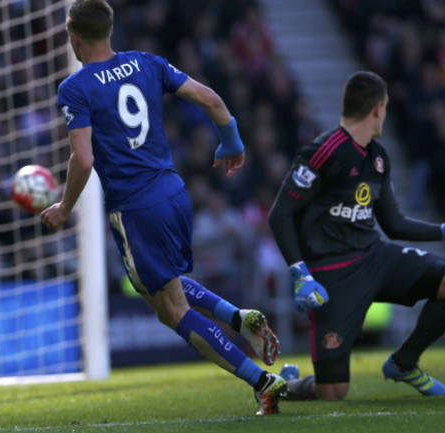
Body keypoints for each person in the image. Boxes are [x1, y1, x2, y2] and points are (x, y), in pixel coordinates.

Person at [40, 0, 286, 415]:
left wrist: (64, 206)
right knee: (162, 291)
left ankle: (261, 381)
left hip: (135, 207)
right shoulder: (146, 62)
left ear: (74, 38)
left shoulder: (75, 88)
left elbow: (83, 159)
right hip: (173, 192)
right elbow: (208, 97)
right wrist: (232, 142)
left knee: (172, 311)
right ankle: (239, 317)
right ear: (110, 28)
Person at [268, 71, 445, 401]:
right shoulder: (322, 151)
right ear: (377, 109)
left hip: (374, 257)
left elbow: (394, 224)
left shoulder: (377, 158)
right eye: (385, 108)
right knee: (333, 392)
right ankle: (284, 386)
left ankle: (404, 363)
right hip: (333, 274)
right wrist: (300, 274)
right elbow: (279, 215)